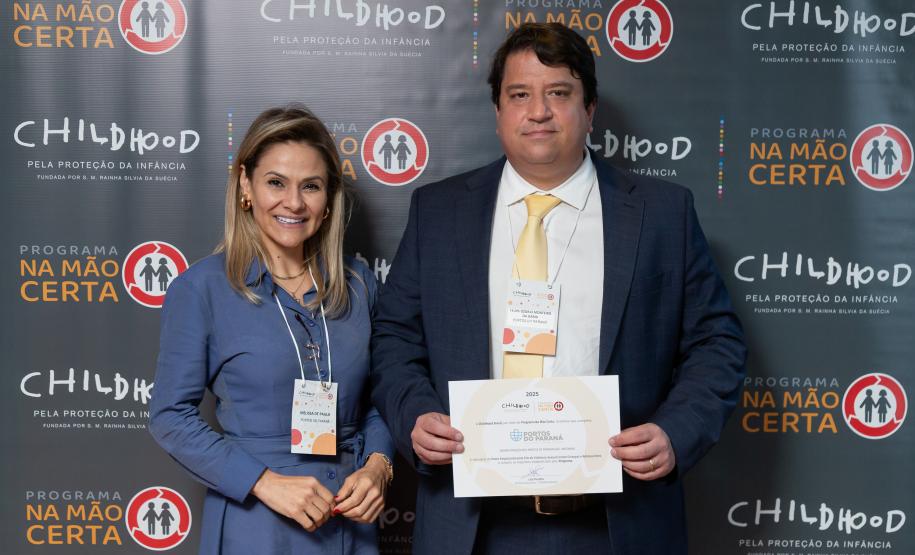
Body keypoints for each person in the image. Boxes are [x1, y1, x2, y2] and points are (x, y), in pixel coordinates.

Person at [371, 23, 746, 554]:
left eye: (559, 93)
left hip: (616, 523)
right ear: (498, 112)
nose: (538, 111)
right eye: (519, 95)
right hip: (472, 525)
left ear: (589, 109)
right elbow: (394, 337)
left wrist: (674, 433)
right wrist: (414, 415)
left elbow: (717, 344)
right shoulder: (438, 211)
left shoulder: (663, 213)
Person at [149, 105, 395, 555]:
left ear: (329, 197)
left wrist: (379, 465)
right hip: (256, 521)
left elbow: (381, 398)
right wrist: (263, 483)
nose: (294, 203)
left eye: (311, 186)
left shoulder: (359, 285)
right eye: (276, 182)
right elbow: (170, 416)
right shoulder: (201, 288)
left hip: (349, 521)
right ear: (246, 185)